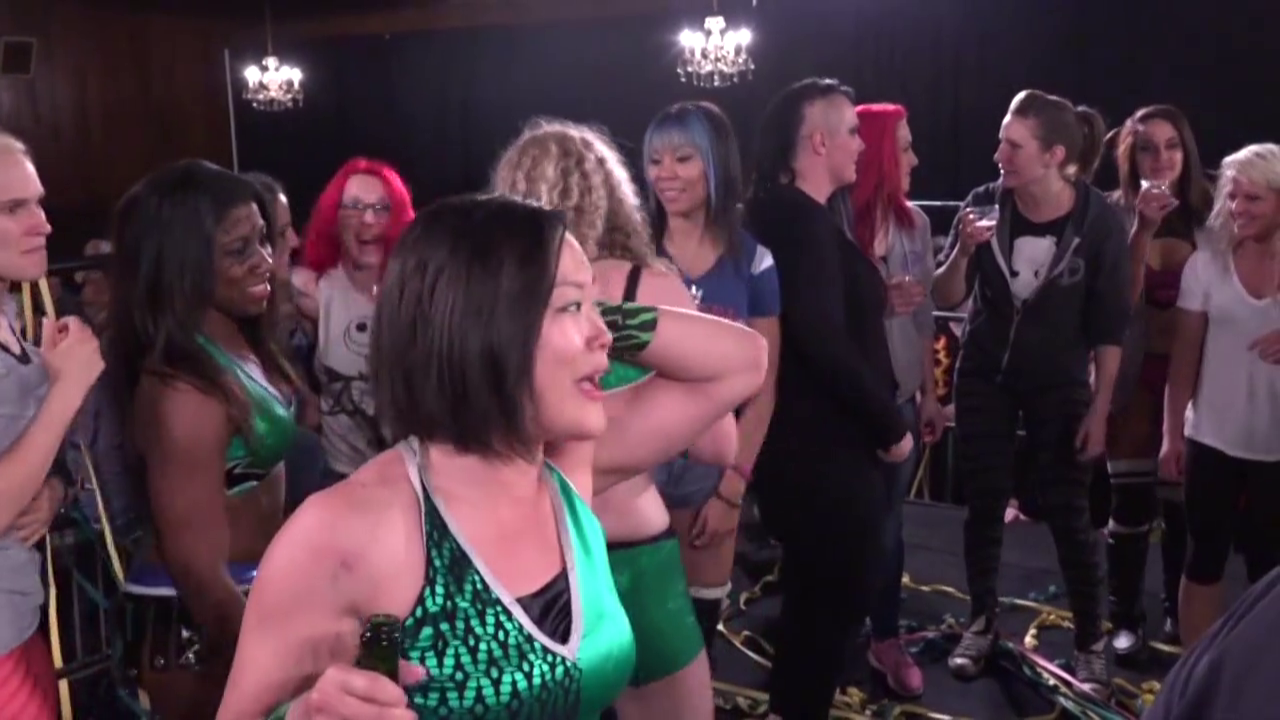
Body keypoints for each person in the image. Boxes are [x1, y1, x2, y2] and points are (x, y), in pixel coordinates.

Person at [217, 194, 742, 719]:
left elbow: (741, 364)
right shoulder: (345, 532)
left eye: (595, 307)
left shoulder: (562, 477)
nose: (603, 334)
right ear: (484, 325)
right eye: (572, 308)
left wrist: (586, 307)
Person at [492, 117, 768, 720]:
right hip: (631, 554)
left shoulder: (492, 304)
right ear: (608, 193)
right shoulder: (649, 285)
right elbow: (718, 443)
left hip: (529, 556)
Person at [932, 89, 1128, 695]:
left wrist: (1101, 409)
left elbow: (1109, 326)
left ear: (1054, 155)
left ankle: (1091, 641)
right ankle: (981, 621)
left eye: (1013, 146)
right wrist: (963, 250)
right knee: (983, 502)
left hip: (1059, 380)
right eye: (1000, 141)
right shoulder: (983, 203)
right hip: (986, 373)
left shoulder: (1097, 222)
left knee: (1070, 511)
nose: (999, 155)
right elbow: (946, 296)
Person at [106, 159, 301, 719]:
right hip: (199, 626)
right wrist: (269, 657)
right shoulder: (182, 390)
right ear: (182, 265)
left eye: (264, 239)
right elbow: (196, 568)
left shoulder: (232, 338)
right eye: (240, 250)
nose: (265, 261)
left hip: (246, 601)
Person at [745, 77, 912, 720]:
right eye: (850, 132)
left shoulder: (792, 216)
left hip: (813, 451)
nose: (861, 146)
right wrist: (888, 425)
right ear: (818, 142)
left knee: (815, 614)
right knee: (824, 616)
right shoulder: (798, 220)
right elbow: (816, 335)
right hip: (823, 456)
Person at [642, 100, 780, 657]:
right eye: (655, 160)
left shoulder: (753, 261)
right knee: (631, 641)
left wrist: (732, 488)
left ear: (715, 163)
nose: (665, 174)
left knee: (694, 640)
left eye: (682, 158)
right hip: (631, 472)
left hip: (713, 474)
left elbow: (764, 389)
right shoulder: (629, 254)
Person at [835, 102, 946, 698]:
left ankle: (884, 639)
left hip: (898, 399)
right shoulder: (830, 224)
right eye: (903, 147)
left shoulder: (916, 225)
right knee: (836, 526)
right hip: (839, 407)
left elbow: (925, 315)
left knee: (889, 527)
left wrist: (930, 393)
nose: (916, 159)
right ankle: (831, 640)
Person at [1102, 105, 1214, 657]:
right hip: (1131, 374)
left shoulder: (1212, 213)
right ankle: (1124, 617)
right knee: (1129, 502)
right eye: (1147, 148)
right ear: (1130, 156)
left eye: (1172, 146)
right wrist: (1142, 229)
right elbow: (1114, 303)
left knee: (1182, 504)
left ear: (1186, 152)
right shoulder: (1109, 213)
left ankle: (1177, 609)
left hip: (1196, 376)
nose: (1161, 158)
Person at [1159, 142, 1280, 649]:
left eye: (1253, 198)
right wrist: (1172, 435)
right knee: (1203, 557)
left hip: (1274, 445)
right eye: (1232, 197)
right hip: (1211, 436)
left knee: (1270, 569)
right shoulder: (1206, 263)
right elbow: (1184, 355)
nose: (1237, 208)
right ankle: (1197, 671)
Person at [0, 131, 104, 720]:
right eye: (13, 208)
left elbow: (33, 458)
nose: (42, 223)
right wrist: (67, 389)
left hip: (21, 617)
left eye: (37, 203)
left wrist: (57, 491)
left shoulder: (12, 316)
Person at [291, 158, 414, 484]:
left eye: (382, 207)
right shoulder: (315, 291)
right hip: (341, 476)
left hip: (407, 475)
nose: (369, 218)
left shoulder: (417, 292)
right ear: (333, 219)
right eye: (355, 207)